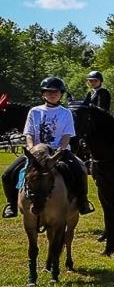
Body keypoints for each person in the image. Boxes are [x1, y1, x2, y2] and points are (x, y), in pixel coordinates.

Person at [2, 77, 93, 218]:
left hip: (59, 151)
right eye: (49, 91)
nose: (53, 94)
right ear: (43, 94)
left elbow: (67, 135)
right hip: (36, 152)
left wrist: (59, 151)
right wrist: (32, 149)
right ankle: (11, 205)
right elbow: (29, 134)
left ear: (61, 94)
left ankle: (82, 202)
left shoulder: (66, 113)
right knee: (8, 174)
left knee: (79, 170)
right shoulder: (34, 111)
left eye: (56, 92)